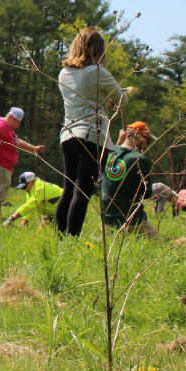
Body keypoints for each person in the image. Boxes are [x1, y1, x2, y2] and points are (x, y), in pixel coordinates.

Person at [56, 27, 127, 236]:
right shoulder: (97, 72)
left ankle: (59, 238)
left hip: (68, 135)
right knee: (82, 191)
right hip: (91, 136)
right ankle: (72, 238)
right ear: (99, 49)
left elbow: (83, 96)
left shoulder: (63, 73)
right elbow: (123, 99)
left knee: (68, 189)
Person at [0, 107, 45, 226]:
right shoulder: (1, 124)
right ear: (13, 118)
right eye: (18, 123)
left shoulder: (7, 129)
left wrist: (34, 149)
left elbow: (17, 142)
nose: (18, 126)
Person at [100, 122, 159, 238]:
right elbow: (147, 194)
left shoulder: (108, 154)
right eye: (146, 140)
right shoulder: (140, 160)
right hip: (132, 219)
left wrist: (118, 142)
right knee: (157, 243)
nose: (147, 144)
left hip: (107, 218)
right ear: (137, 137)